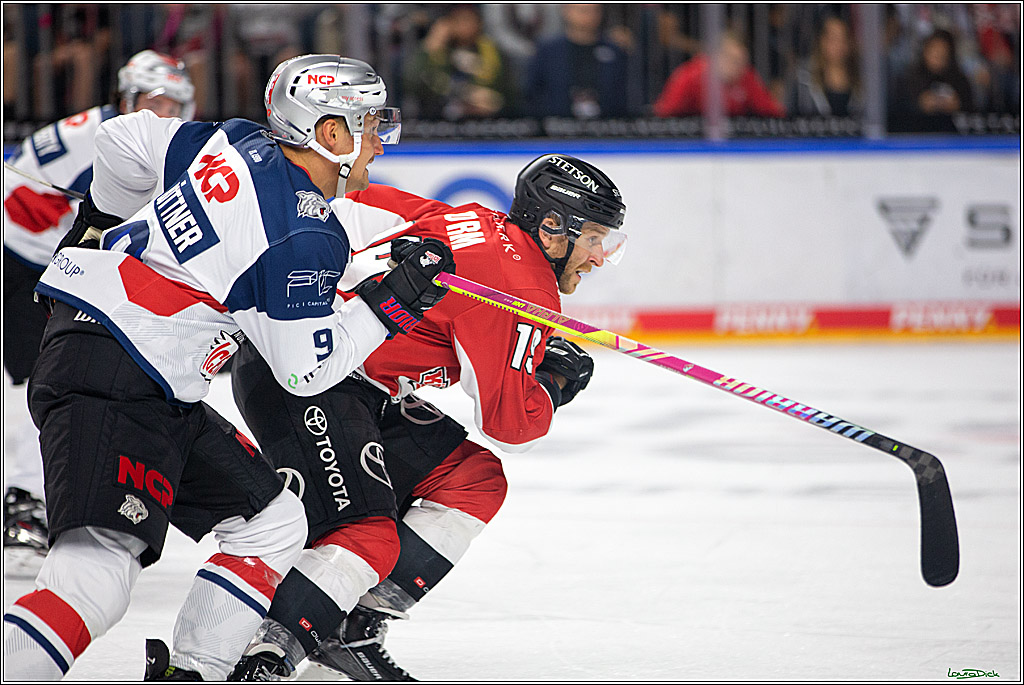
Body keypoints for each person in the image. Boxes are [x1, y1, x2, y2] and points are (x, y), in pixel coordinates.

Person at [1, 54, 455, 681]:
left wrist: (100, 221)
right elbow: (303, 372)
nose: (381, 143)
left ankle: (197, 670)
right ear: (331, 132)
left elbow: (122, 137)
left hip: (135, 368)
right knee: (95, 574)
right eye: (374, 125)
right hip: (118, 373)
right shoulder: (302, 234)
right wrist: (390, 304)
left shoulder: (235, 141)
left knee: (272, 524)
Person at [227, 153, 627, 680]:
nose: (599, 256)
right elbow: (510, 425)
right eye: (594, 238)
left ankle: (352, 626)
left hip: (325, 367)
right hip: (311, 378)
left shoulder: (474, 220)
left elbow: (355, 202)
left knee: (473, 479)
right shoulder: (526, 287)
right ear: (553, 228)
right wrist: (552, 384)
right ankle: (268, 655)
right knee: (365, 532)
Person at [3, 49, 196, 578]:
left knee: (43, 376)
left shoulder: (108, 129)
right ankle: (24, 505)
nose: (161, 113)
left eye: (171, 104)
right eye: (152, 101)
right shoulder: (114, 139)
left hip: (31, 254)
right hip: (17, 259)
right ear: (126, 98)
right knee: (43, 378)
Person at [405, 4, 515, 120]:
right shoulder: (438, 50)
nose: (464, 25)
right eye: (458, 20)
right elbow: (413, 84)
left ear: (479, 23)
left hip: (486, 120)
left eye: (468, 19)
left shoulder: (490, 50)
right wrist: (431, 45)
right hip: (439, 119)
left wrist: (492, 100)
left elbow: (505, 93)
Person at [524, 3, 631, 118]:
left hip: (607, 124)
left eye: (595, 10)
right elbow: (532, 92)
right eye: (583, 10)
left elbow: (625, 92)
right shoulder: (548, 50)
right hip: (557, 123)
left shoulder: (614, 51)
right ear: (566, 11)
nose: (589, 16)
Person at [653, 30, 786, 117]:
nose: (738, 66)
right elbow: (664, 113)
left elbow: (772, 112)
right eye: (732, 59)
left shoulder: (746, 76)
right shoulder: (688, 77)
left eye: (741, 61)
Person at [890, 28, 975, 133]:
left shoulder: (959, 80)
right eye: (934, 50)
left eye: (943, 52)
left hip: (952, 136)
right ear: (925, 51)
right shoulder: (910, 78)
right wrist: (919, 105)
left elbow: (973, 115)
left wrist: (958, 107)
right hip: (917, 135)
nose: (938, 56)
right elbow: (896, 114)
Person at [790, 15, 862, 117]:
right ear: (822, 41)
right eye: (833, 38)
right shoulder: (804, 80)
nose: (839, 45)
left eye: (843, 38)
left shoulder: (863, 81)